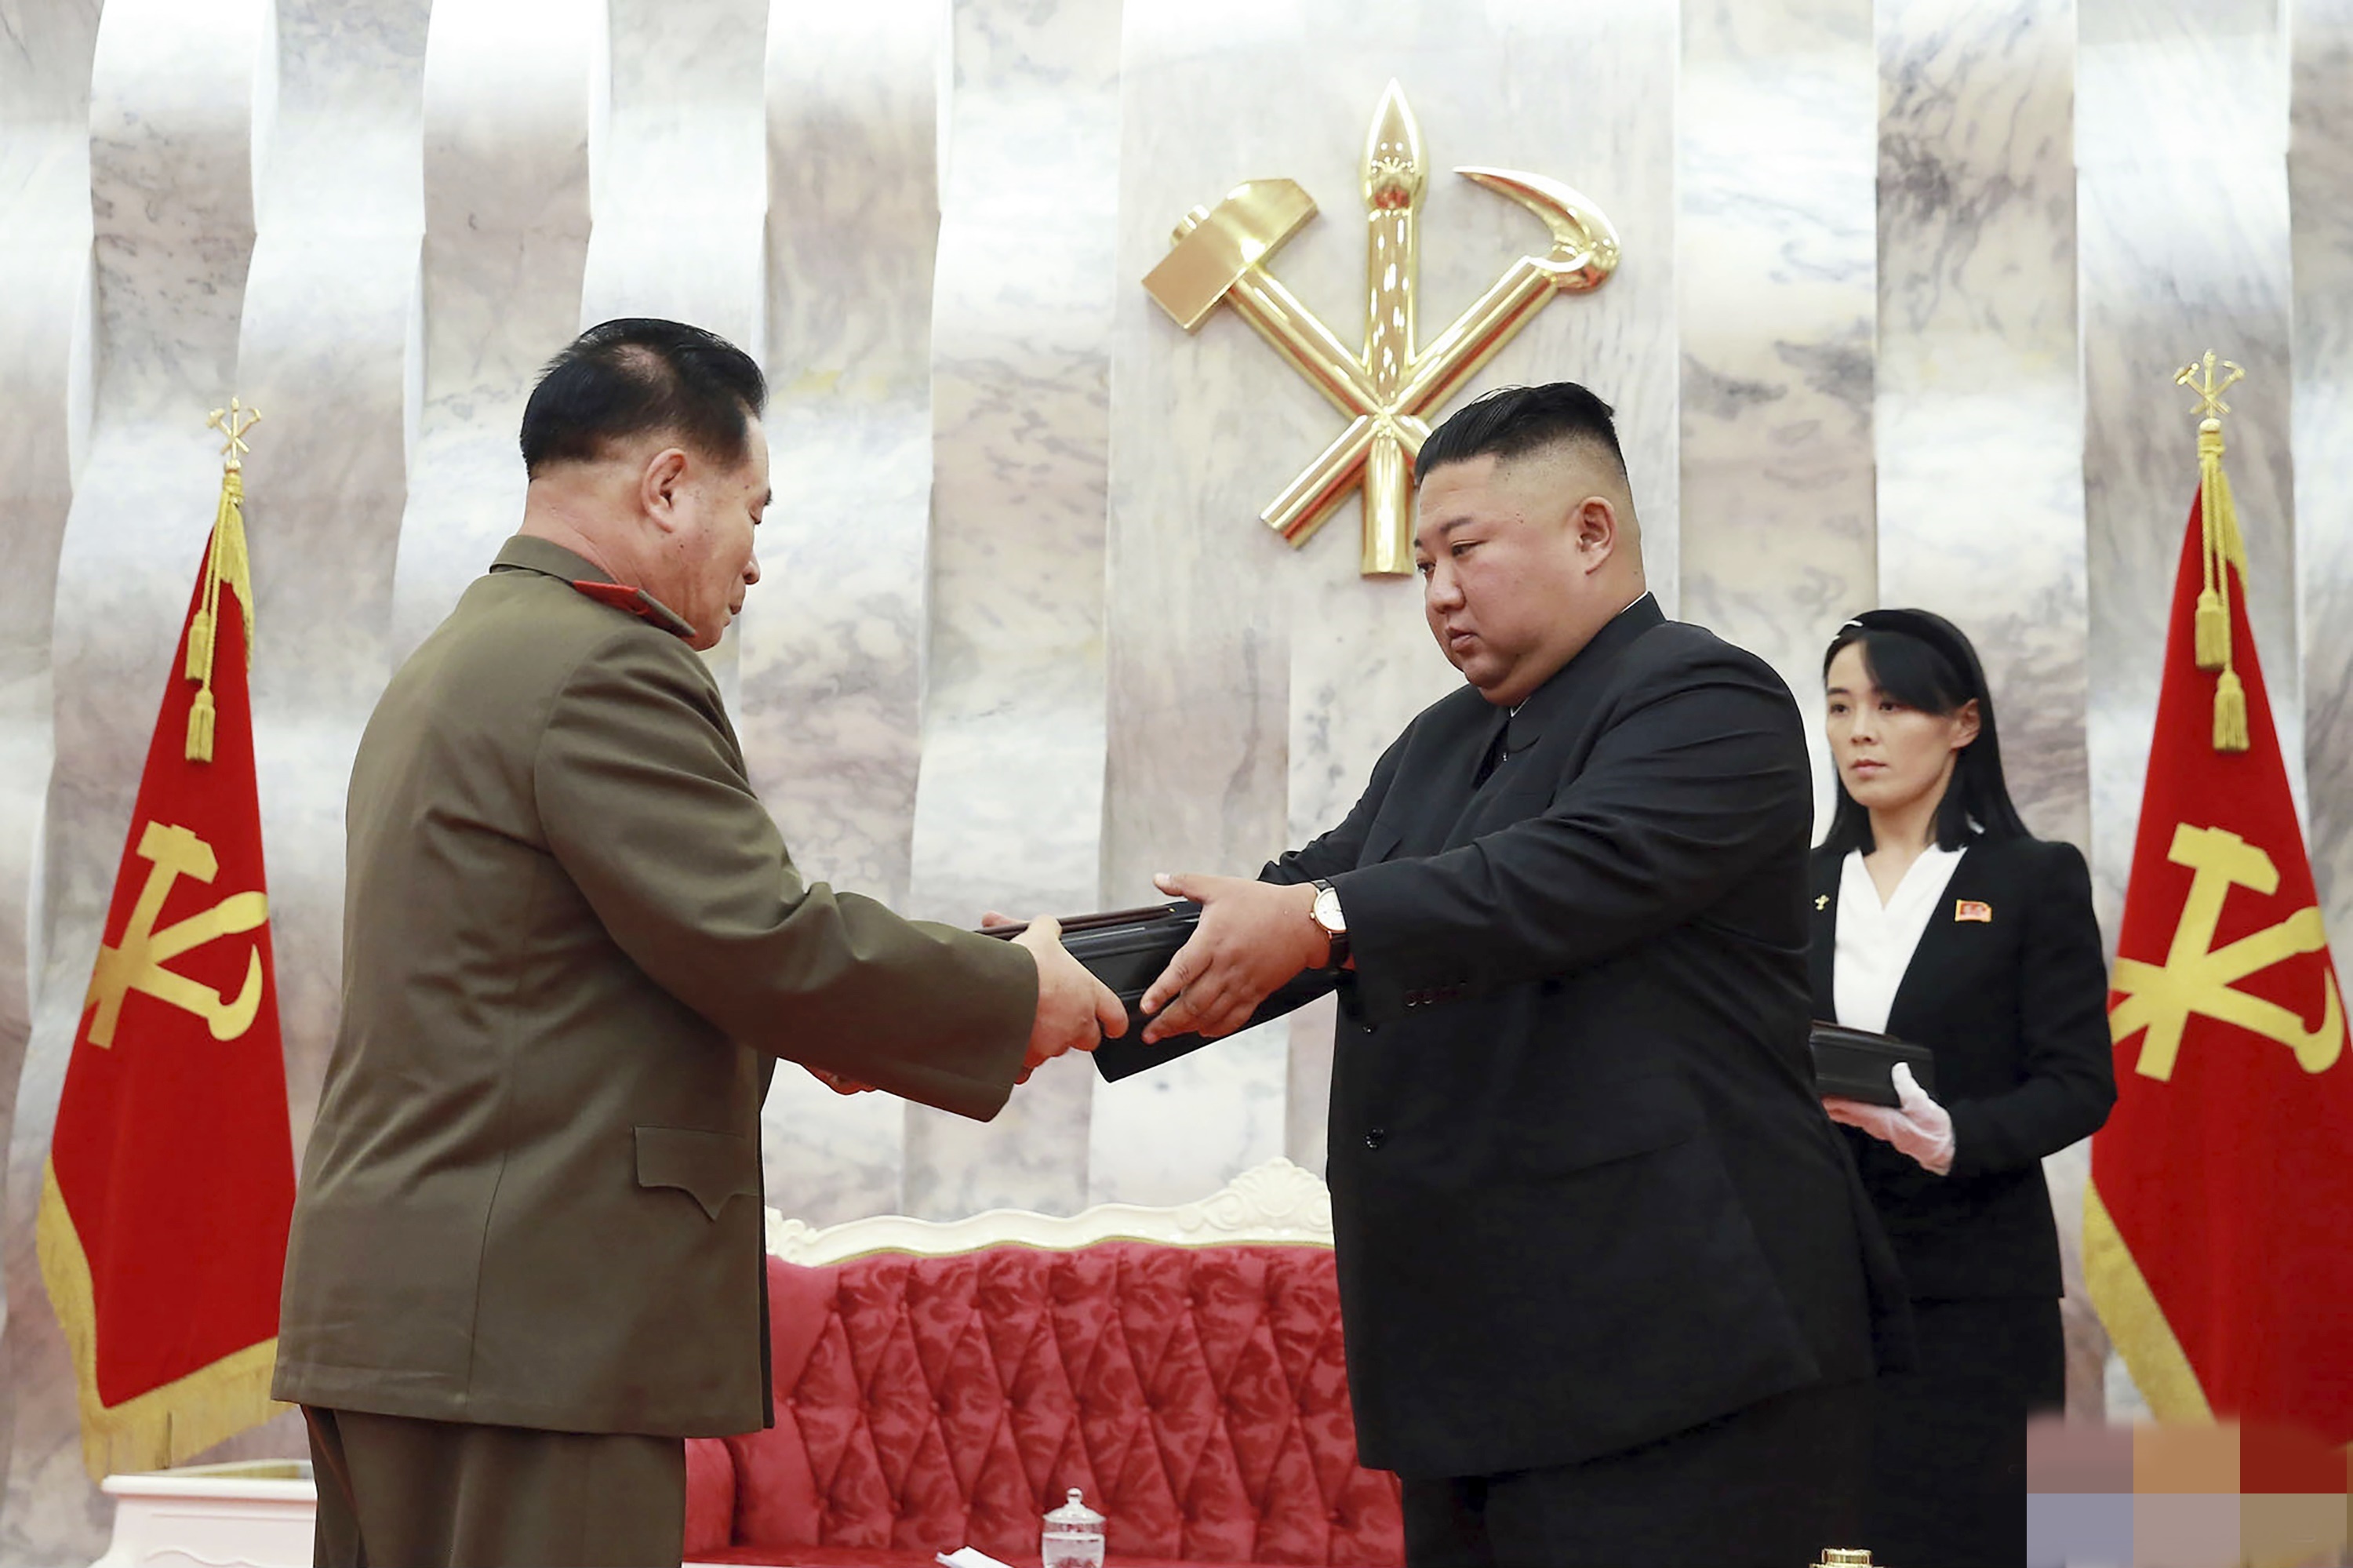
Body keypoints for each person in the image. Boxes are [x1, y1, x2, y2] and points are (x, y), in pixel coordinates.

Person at [272, 318, 1125, 1568]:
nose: (757, 562)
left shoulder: (464, 656)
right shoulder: (597, 664)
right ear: (669, 485)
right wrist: (1016, 991)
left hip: (430, 1312)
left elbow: (600, 965)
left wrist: (812, 1023)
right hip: (525, 1325)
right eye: (756, 514)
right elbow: (766, 936)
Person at [1104, 382, 1907, 1568]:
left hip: (1670, 1352)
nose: (1437, 593)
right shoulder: (1441, 738)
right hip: (1472, 1356)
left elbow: (1544, 878)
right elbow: (1289, 898)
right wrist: (1043, 982)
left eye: (1463, 551)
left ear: (1591, 532)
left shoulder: (1707, 696)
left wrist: (1321, 916)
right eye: (1424, 560)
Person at [1811, 609, 2115, 1567]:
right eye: (1840, 705)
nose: (1861, 729)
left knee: (1969, 1537)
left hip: (1974, 1292)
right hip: (1811, 1284)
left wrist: (1956, 1137)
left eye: (1891, 704)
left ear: (1963, 724)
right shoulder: (1788, 886)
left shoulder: (2031, 879)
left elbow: (2079, 1082)